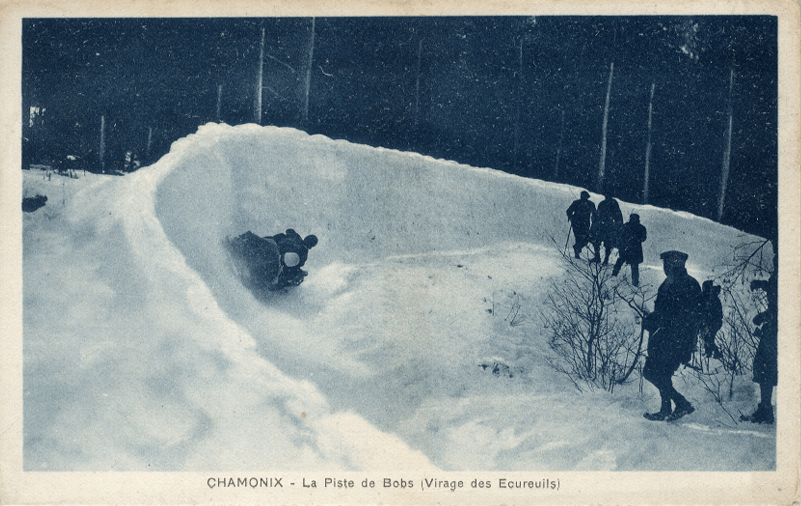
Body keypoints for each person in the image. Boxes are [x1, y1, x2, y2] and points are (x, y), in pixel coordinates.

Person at [641, 250, 702, 422]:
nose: (664, 267)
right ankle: (669, 407)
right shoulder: (678, 282)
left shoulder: (681, 284)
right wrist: (653, 319)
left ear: (674, 264)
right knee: (660, 372)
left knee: (653, 372)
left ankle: (677, 404)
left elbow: (680, 316)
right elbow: (665, 312)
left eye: (666, 264)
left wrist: (654, 321)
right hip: (669, 339)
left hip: (673, 340)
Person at [741, 265, 777, 424]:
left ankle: (766, 411)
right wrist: (762, 284)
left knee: (766, 368)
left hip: (776, 331)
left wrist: (763, 316)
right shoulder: (781, 271)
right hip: (772, 330)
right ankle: (765, 409)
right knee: (764, 369)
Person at [612, 213, 647, 286]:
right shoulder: (627, 226)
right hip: (629, 249)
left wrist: (634, 239)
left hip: (633, 249)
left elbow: (643, 238)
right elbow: (620, 237)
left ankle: (634, 282)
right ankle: (614, 275)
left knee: (632, 265)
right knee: (623, 262)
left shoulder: (635, 227)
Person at [590, 194, 624, 265]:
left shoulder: (614, 203)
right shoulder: (602, 203)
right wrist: (594, 219)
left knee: (608, 243)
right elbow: (598, 214)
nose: (607, 196)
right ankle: (597, 256)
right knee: (596, 241)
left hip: (609, 226)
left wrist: (619, 225)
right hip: (600, 226)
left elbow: (618, 215)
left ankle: (606, 259)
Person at [565, 191, 596, 259]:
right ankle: (577, 252)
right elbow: (569, 211)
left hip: (585, 224)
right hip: (576, 223)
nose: (584, 198)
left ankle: (577, 247)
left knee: (585, 238)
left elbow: (594, 214)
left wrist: (594, 220)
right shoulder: (576, 203)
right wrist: (571, 217)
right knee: (578, 237)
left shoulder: (591, 204)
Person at [698, 280, 723, 359]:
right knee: (706, 337)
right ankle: (709, 352)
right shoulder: (706, 297)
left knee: (709, 337)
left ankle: (714, 353)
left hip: (713, 322)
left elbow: (716, 313)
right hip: (708, 321)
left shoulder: (713, 299)